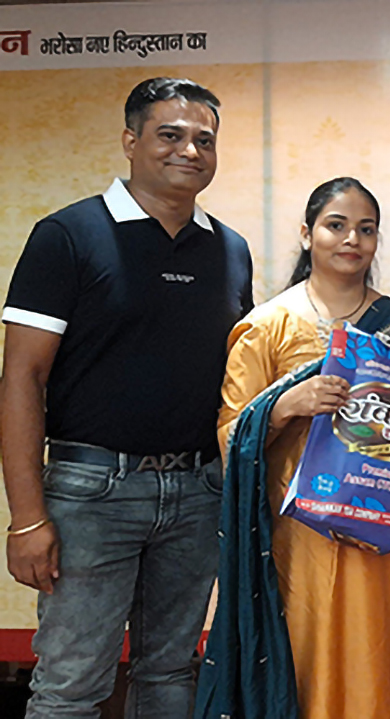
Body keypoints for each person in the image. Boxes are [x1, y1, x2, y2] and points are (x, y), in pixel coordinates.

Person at [0, 77, 252, 718]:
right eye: (170, 135)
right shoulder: (66, 236)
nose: (189, 151)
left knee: (171, 673)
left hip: (197, 492)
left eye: (204, 140)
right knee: (71, 686)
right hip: (90, 495)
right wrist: (27, 518)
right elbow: (22, 378)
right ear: (130, 141)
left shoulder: (231, 250)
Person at [195, 177, 390, 719]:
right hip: (298, 535)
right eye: (336, 225)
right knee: (302, 658)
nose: (351, 240)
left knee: (376, 658)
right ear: (307, 233)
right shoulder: (269, 326)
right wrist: (284, 406)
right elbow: (230, 435)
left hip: (383, 535)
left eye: (366, 230)